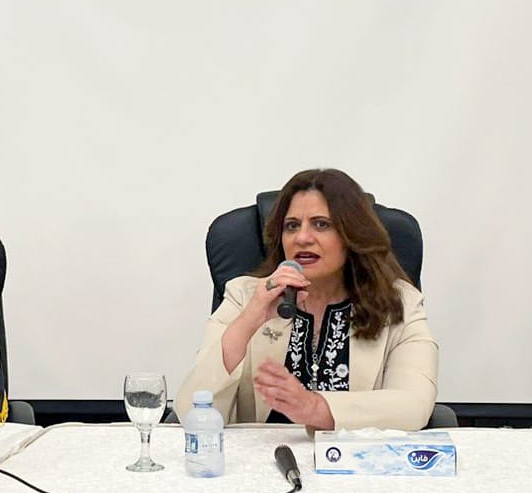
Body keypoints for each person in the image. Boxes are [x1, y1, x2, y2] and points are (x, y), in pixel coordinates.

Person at [176, 169, 438, 430]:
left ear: (352, 235)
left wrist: (316, 409)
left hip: (351, 455)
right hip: (264, 454)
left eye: (321, 224)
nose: (302, 238)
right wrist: (247, 322)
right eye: (291, 226)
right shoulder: (245, 296)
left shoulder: (400, 303)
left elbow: (413, 406)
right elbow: (191, 412)